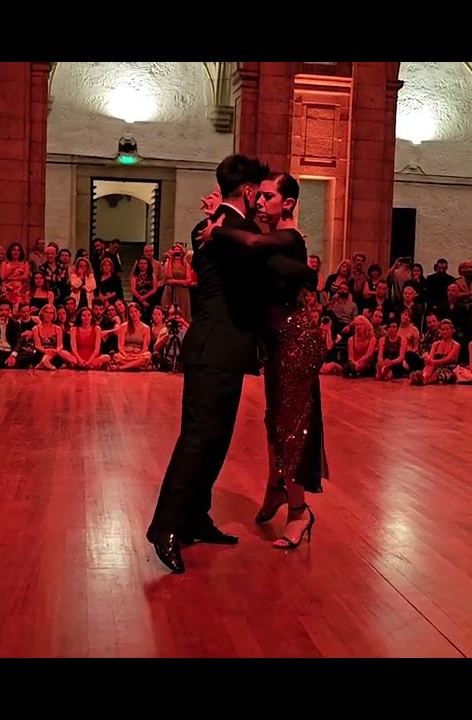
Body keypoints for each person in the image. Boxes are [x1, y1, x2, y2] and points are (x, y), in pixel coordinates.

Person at [145, 155, 314, 574]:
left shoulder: (217, 228)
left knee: (213, 439)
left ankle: (195, 518)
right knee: (199, 439)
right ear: (251, 191)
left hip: (219, 348)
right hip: (217, 348)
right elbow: (279, 269)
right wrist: (307, 269)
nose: (261, 201)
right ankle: (164, 526)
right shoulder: (229, 231)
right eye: (260, 192)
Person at [203, 172, 323, 549]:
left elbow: (252, 242)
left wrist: (217, 231)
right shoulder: (274, 239)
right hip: (276, 339)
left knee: (291, 423)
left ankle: (300, 513)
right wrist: (217, 216)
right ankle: (276, 486)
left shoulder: (289, 238)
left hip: (296, 338)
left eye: (268, 196)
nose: (260, 201)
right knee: (275, 418)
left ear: (287, 203)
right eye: (260, 195)